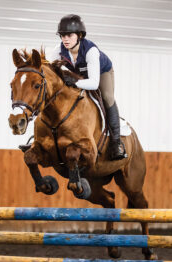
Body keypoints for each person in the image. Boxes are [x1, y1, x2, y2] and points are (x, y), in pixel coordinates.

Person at [51, 14, 126, 160]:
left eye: (69, 35)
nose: (65, 39)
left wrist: (73, 82)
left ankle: (116, 142)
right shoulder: (58, 50)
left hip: (102, 72)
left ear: (79, 35)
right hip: (78, 75)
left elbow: (93, 83)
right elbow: (51, 71)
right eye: (62, 35)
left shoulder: (91, 51)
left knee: (107, 97)